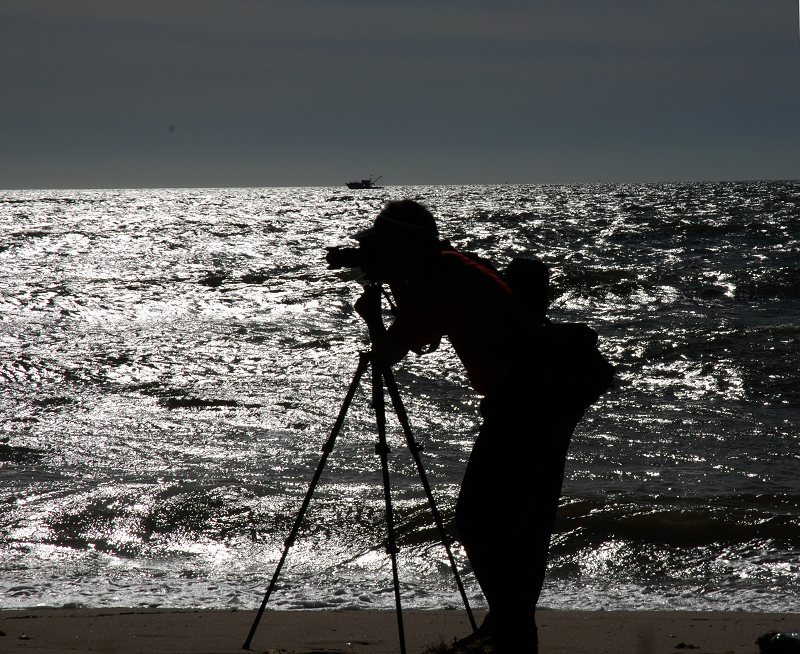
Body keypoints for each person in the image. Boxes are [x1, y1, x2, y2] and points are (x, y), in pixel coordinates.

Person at [352, 199, 587, 654]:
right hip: (539, 398)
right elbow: (426, 335)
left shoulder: (439, 279)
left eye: (383, 248)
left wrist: (371, 317)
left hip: (526, 403)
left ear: (404, 247)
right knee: (519, 526)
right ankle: (509, 629)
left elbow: (390, 353)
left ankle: (513, 632)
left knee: (479, 523)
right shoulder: (446, 268)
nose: (380, 259)